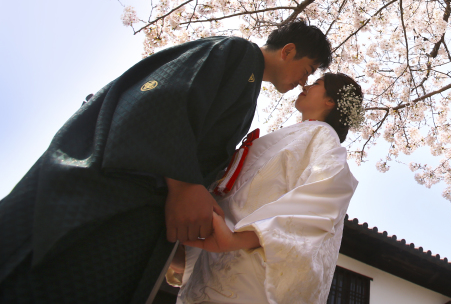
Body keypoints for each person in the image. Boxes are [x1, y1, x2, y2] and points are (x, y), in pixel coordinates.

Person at [0, 20, 332, 304]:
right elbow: (161, 100)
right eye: (306, 71)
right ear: (287, 50)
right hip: (110, 195)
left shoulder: (247, 85)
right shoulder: (236, 53)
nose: (303, 82)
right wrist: (184, 183)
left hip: (141, 209)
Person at [170, 73, 363, 304]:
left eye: (317, 83)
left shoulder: (323, 138)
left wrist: (239, 239)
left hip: (246, 260)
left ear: (330, 101)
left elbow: (324, 196)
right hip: (219, 252)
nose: (306, 85)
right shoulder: (300, 133)